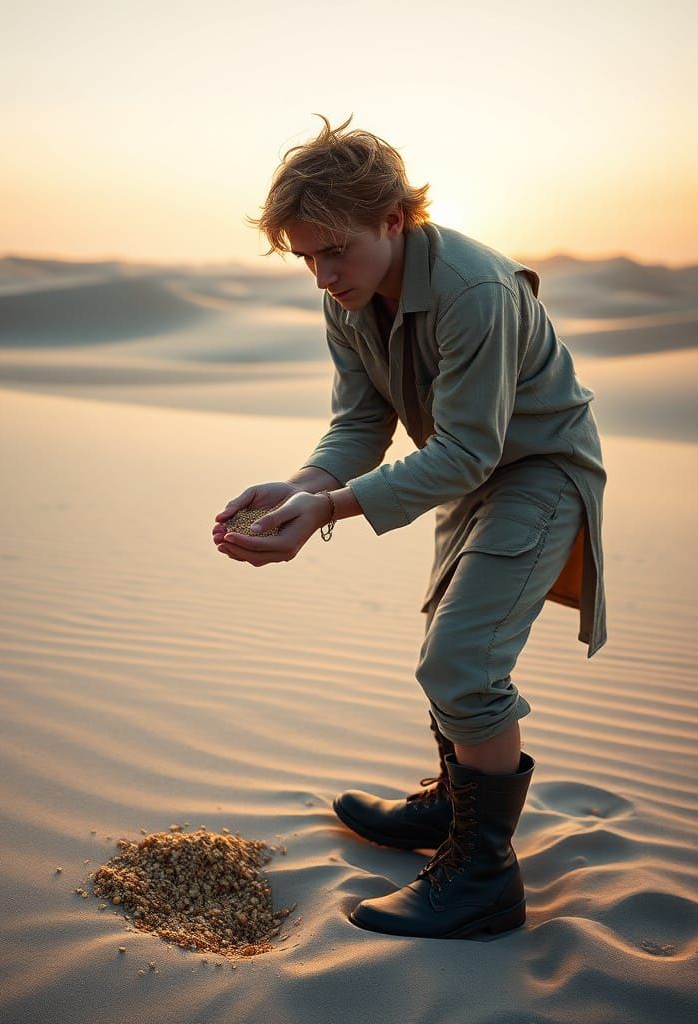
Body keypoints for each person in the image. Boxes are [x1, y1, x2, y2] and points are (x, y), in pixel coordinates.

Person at [211, 115, 607, 940]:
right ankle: (448, 809)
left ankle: (485, 877)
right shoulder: (349, 300)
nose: (321, 275)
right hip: (466, 475)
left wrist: (326, 510)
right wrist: (303, 483)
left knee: (463, 661)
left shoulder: (475, 291)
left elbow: (469, 449)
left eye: (334, 250)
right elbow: (361, 423)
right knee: (445, 644)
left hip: (537, 472)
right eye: (305, 257)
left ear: (394, 219)